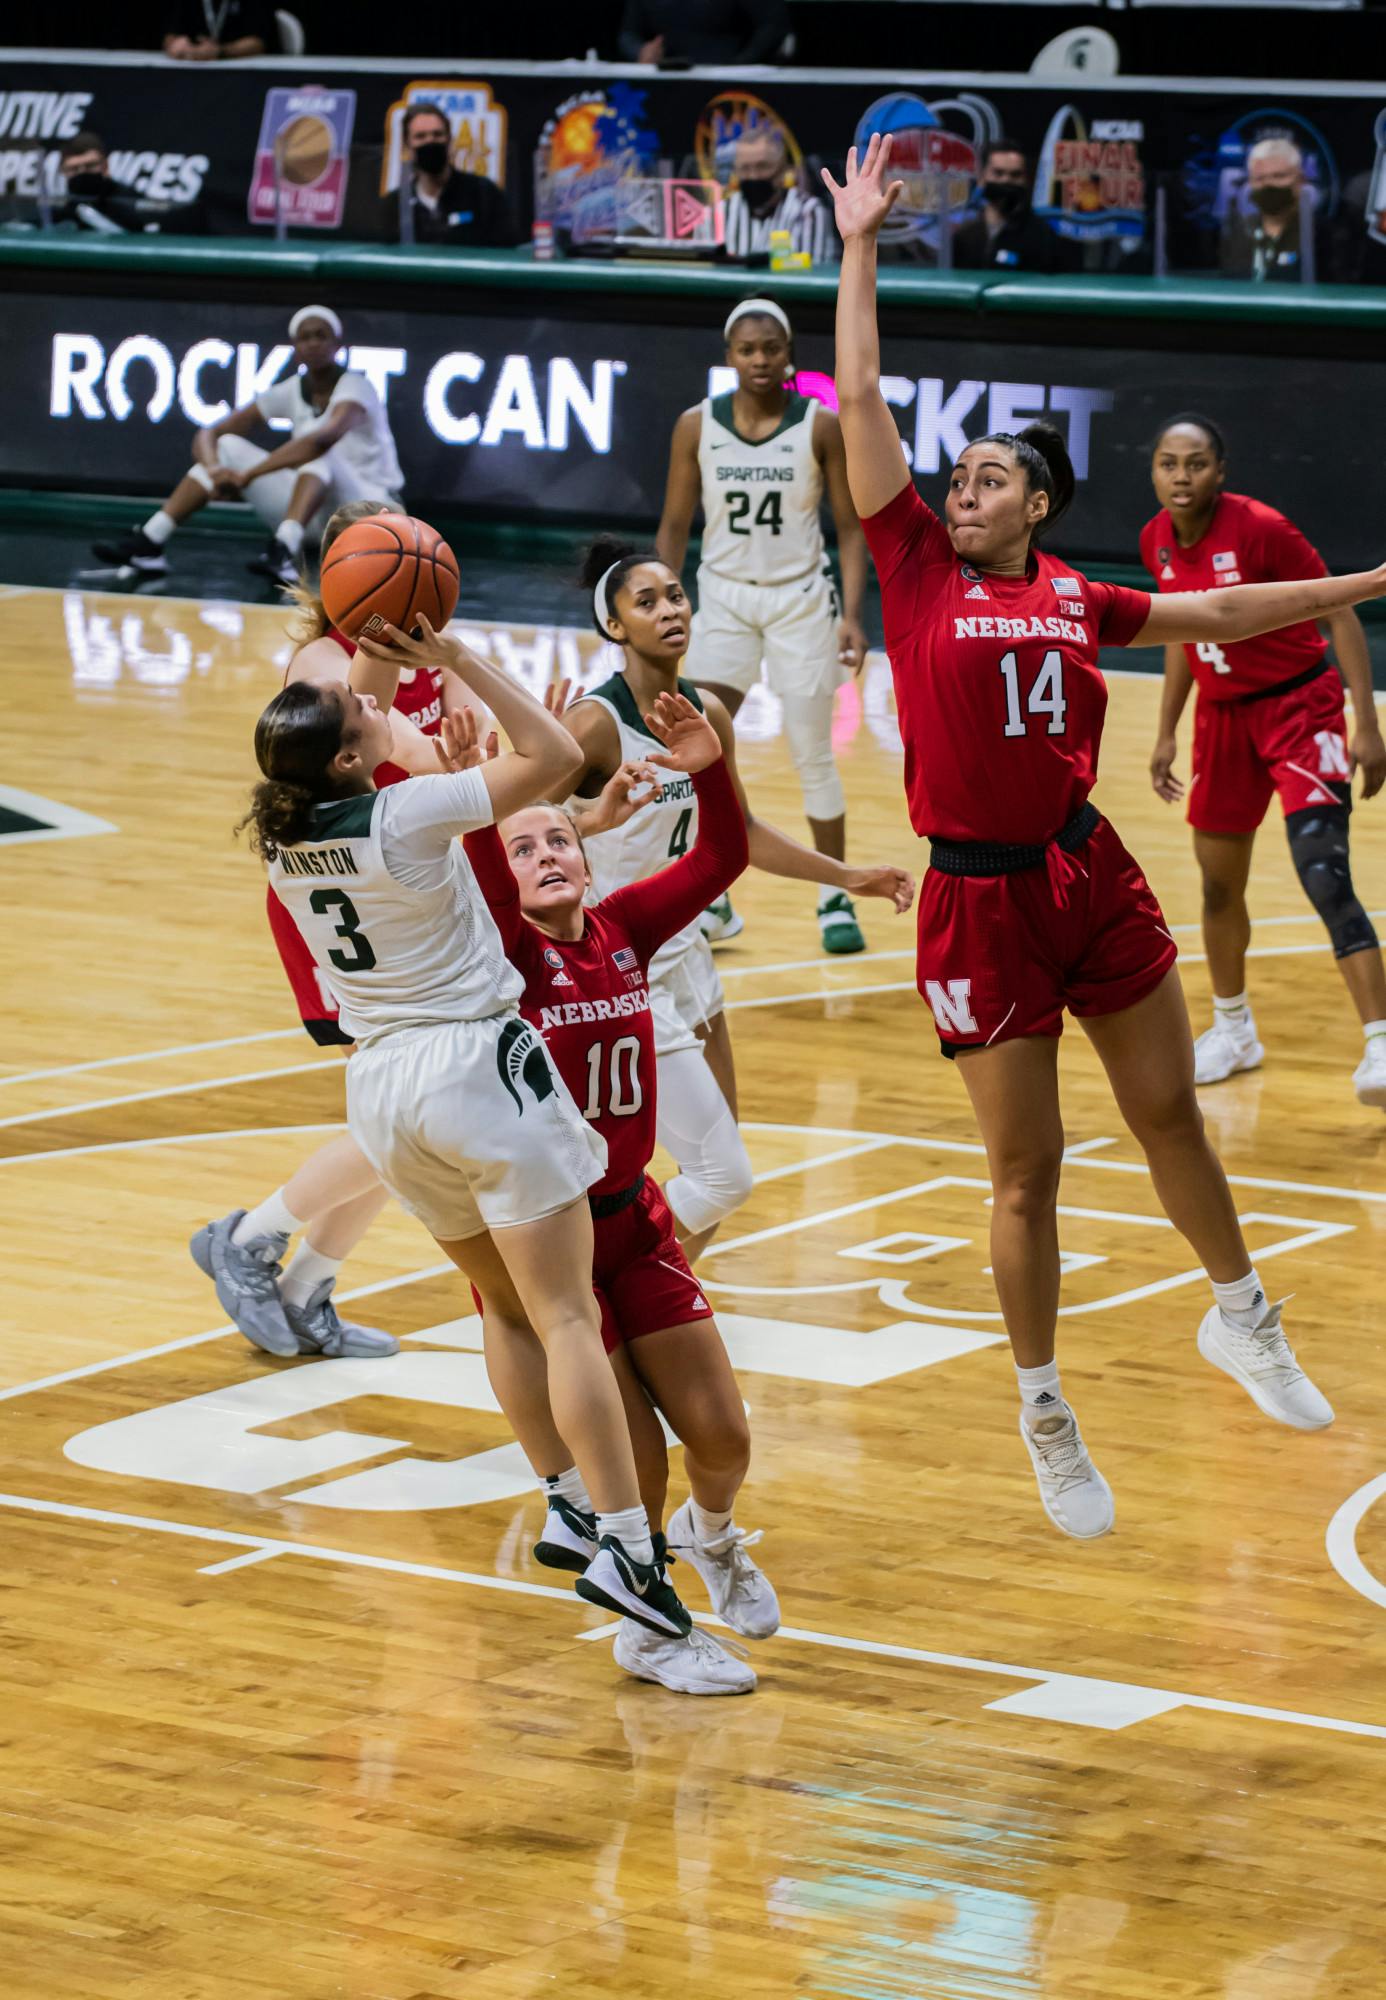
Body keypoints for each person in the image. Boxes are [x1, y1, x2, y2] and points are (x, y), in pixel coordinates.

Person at [823, 133, 1386, 1537]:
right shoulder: (910, 567)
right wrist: (857, 245)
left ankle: (1239, 1313)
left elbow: (1219, 617)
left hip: (1084, 871)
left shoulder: (1080, 597)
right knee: (1027, 1169)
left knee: (1167, 1113)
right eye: (955, 479)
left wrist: (1368, 581)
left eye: (990, 480)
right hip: (974, 899)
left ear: (1039, 505)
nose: (962, 490)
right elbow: (868, 400)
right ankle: (1042, 1409)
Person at [237, 624, 693, 1638]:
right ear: (356, 756)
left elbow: (355, 716)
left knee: (505, 1304)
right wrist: (459, 652)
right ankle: (627, 1545)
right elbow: (559, 758)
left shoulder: (285, 834)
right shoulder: (406, 811)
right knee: (567, 1312)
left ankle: (570, 1499)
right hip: (472, 1065)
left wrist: (386, 652)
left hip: (380, 1087)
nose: (378, 701)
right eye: (366, 713)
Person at [453, 687, 778, 1695]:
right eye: (525, 846)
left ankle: (712, 1540)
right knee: (635, 1470)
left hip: (635, 1220)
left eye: (562, 838)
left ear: (590, 858)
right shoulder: (497, 957)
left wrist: (711, 763)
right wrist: (467, 793)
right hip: (550, 1240)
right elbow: (465, 872)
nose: (548, 852)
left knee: (725, 1437)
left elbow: (722, 860)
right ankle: (646, 1628)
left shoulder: (627, 927)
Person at [562, 536, 913, 1266]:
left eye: (676, 596)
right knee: (714, 1174)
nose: (669, 611)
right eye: (646, 602)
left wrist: (847, 877)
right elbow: (522, 832)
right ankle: (600, 1282)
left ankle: (660, 1302)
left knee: (720, 1164)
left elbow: (740, 833)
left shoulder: (708, 712)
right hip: (619, 961)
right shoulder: (594, 724)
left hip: (687, 953)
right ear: (615, 626)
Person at [189, 500, 471, 1363]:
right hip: (339, 897)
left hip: (414, 891)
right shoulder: (321, 662)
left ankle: (306, 1284)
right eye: (386, 555)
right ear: (345, 575)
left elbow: (446, 757)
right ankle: (248, 1240)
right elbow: (363, 751)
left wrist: (468, 757)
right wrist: (444, 755)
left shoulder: (434, 657)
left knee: (404, 1127)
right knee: (400, 1121)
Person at [1143, 414, 1386, 1108]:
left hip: (1298, 709)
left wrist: (1364, 722)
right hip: (1222, 722)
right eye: (1168, 463)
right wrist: (1166, 731)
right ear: (1153, 471)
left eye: (1195, 464)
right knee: (1219, 888)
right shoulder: (1154, 541)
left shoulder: (1261, 529)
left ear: (1221, 472)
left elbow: (1340, 610)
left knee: (1323, 870)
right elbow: (1178, 632)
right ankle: (1234, 1030)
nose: (1181, 477)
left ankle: (1380, 1043)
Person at [657, 297, 870, 952]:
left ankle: (835, 894)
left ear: (789, 355)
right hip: (723, 599)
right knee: (703, 748)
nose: (759, 359)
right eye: (747, 349)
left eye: (771, 347)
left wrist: (854, 615)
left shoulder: (820, 424)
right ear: (729, 357)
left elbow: (851, 528)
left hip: (801, 600)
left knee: (811, 752)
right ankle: (713, 895)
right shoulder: (696, 425)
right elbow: (672, 526)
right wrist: (660, 604)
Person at [92, 307, 404, 587]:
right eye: (304, 337)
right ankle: (151, 541)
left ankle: (284, 551)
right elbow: (210, 433)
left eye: (321, 336)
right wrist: (217, 471)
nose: (313, 343)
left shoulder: (357, 386)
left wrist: (248, 475)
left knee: (317, 449)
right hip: (317, 522)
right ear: (295, 349)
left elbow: (322, 440)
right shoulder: (290, 390)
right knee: (227, 445)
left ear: (337, 345)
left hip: (370, 515)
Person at [382, 101, 513, 248]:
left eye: (437, 134)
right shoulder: (395, 206)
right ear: (407, 146)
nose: (430, 141)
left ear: (449, 139)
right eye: (420, 136)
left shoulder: (484, 194)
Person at [51, 131, 204, 235]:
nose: (82, 173)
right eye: (74, 169)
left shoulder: (127, 201)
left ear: (105, 166)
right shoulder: (59, 210)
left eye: (90, 166)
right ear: (63, 171)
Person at [952, 139, 1070, 274]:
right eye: (998, 173)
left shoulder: (1042, 235)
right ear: (982, 178)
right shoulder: (964, 233)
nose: (1006, 180)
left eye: (1015, 175)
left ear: (1026, 180)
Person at [722, 128, 836, 265]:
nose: (753, 176)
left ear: (784, 170)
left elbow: (816, 277)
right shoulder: (719, 213)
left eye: (763, 166)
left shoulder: (809, 211)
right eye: (744, 168)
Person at [1219, 138, 1321, 285]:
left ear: (1301, 180)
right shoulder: (1239, 233)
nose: (1268, 184)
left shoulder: (1318, 233)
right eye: (1259, 178)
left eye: (1279, 176)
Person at [618, 0, 789, 65]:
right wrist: (640, 51)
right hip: (664, 77)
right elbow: (628, 33)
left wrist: (741, 63)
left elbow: (772, 24)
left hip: (726, 80)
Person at [163, 0, 276, 59]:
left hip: (238, 72)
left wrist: (220, 51)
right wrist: (175, 46)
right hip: (190, 66)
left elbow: (257, 43)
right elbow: (170, 37)